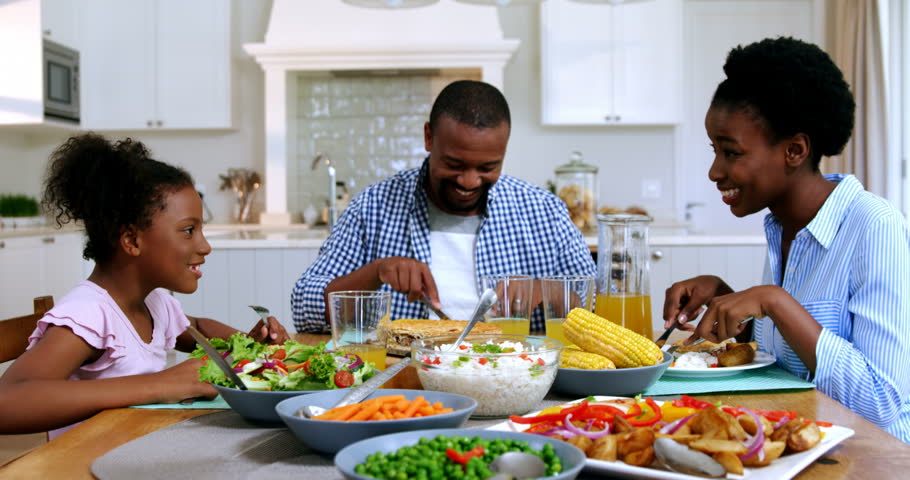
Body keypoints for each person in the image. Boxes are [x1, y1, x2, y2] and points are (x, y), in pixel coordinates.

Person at [663, 37, 910, 442]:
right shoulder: (781, 227)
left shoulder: (873, 225)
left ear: (794, 150)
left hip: (878, 458)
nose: (714, 171)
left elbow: (881, 402)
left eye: (731, 153)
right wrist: (728, 301)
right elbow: (791, 362)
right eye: (715, 150)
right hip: (805, 443)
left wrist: (774, 301)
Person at [0, 133, 290, 437]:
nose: (205, 247)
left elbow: (198, 330)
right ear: (131, 240)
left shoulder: (154, 304)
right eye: (189, 231)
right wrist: (158, 385)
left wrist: (251, 346)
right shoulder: (89, 315)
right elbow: (7, 401)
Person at [293, 80, 595, 333]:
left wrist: (551, 290)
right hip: (403, 384)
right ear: (428, 137)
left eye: (488, 167)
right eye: (454, 164)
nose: (469, 181)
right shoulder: (372, 207)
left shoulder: (544, 211)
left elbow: (598, 304)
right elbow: (304, 307)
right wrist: (377, 271)